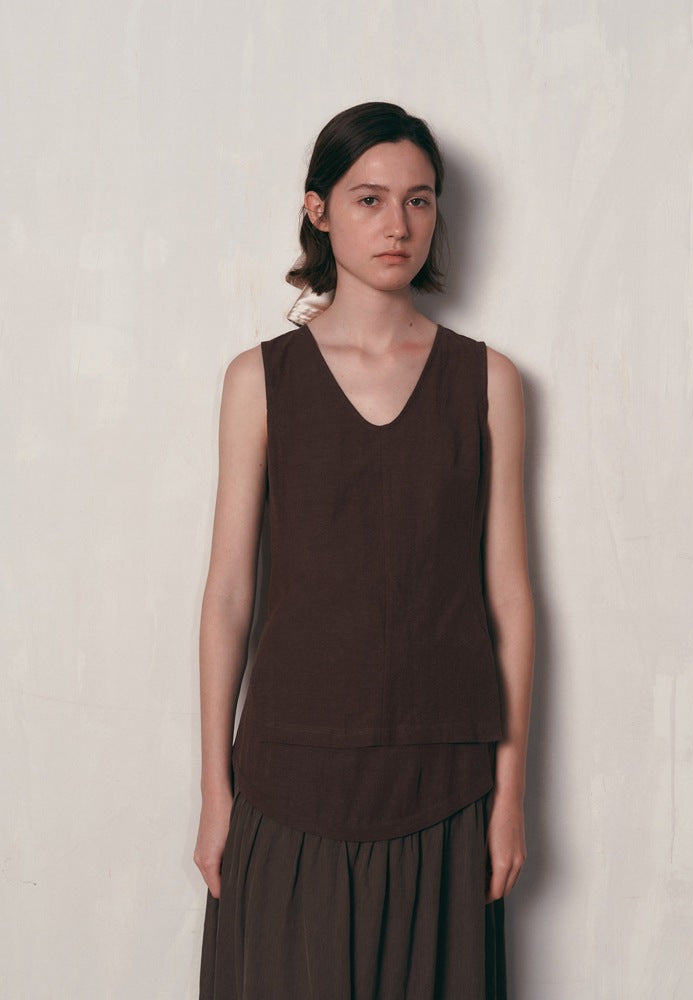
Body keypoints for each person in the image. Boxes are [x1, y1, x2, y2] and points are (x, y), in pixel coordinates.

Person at [194, 101, 535, 999]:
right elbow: (228, 596)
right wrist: (215, 791)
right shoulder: (258, 381)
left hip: (446, 786)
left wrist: (511, 795)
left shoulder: (488, 382)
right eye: (370, 199)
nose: (398, 225)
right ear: (318, 210)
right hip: (288, 782)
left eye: (419, 200)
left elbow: (509, 599)